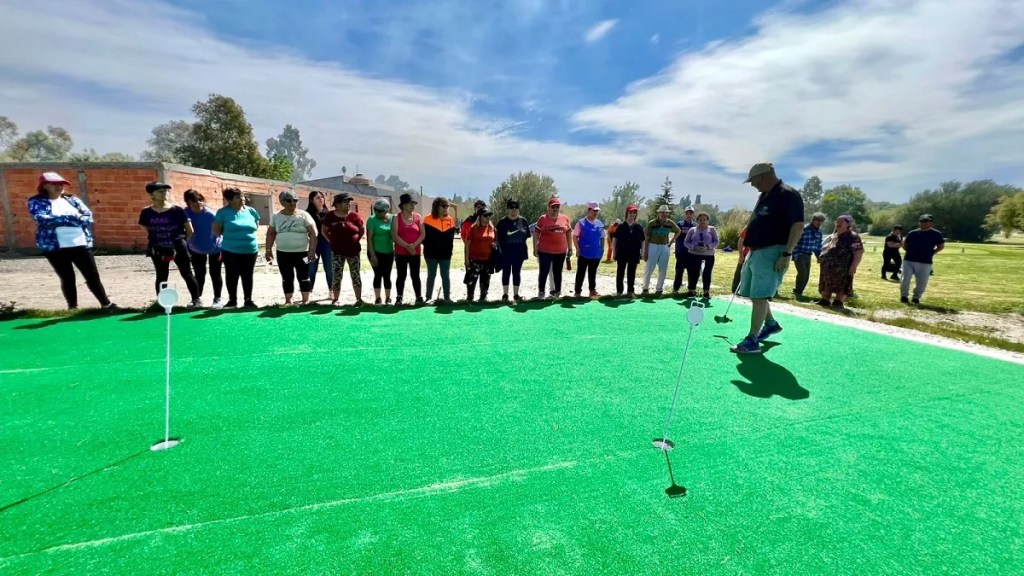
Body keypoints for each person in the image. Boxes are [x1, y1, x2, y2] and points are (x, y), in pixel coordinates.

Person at [731, 162, 805, 354]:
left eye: (753, 181)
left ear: (764, 176)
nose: (752, 185)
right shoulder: (764, 195)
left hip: (773, 251)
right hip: (756, 251)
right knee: (755, 294)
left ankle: (752, 340)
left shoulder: (788, 195)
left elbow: (797, 226)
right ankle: (770, 323)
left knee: (760, 296)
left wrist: (787, 253)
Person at [27, 172, 116, 310]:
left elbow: (87, 217)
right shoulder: (36, 201)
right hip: (55, 247)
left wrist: (62, 219)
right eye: (55, 184)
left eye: (61, 183)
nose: (59, 186)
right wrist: (73, 218)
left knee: (92, 276)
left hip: (80, 243)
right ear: (45, 185)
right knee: (67, 277)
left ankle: (106, 304)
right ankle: (72, 307)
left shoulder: (72, 200)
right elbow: (43, 219)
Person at [138, 181, 200, 307]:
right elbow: (145, 228)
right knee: (161, 275)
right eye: (160, 191)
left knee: (187, 273)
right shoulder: (146, 212)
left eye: (166, 191)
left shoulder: (177, 210)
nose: (164, 193)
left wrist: (180, 242)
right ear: (152, 195)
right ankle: (163, 303)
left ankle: (196, 300)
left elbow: (190, 230)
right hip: (158, 248)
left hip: (178, 247)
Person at [266, 189, 317, 305]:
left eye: (295, 200)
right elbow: (271, 233)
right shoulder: (276, 217)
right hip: (283, 253)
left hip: (302, 252)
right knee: (287, 277)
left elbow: (314, 232)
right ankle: (288, 300)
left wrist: (312, 250)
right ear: (282, 202)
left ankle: (306, 300)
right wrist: (268, 250)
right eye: (289, 201)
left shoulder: (304, 215)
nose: (293, 203)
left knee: (304, 276)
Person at [213, 187, 261, 308]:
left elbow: (255, 226)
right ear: (229, 200)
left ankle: (248, 300)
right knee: (232, 275)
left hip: (250, 250)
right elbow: (217, 230)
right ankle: (232, 300)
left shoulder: (251, 211)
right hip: (230, 250)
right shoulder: (222, 212)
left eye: (242, 196)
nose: (242, 199)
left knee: (248, 275)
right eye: (238, 197)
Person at [322, 193, 365, 305]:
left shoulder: (354, 216)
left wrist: (356, 240)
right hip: (337, 252)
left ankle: (358, 299)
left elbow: (361, 230)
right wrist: (331, 241)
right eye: (345, 202)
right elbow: (324, 231)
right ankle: (336, 299)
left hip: (354, 251)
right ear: (337, 204)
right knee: (337, 275)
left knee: (355, 275)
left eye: (348, 202)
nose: (348, 204)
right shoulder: (330, 216)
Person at [184, 189, 223, 308]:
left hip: (215, 248)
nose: (198, 203)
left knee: (215, 273)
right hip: (195, 248)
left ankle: (217, 299)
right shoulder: (185, 213)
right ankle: (197, 299)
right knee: (199, 274)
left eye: (200, 200)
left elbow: (218, 232)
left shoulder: (210, 214)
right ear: (188, 203)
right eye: (193, 201)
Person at [817, 215, 864, 309]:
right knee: (826, 282)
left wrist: (854, 265)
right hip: (828, 266)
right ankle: (825, 300)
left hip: (843, 267)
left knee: (842, 284)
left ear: (848, 224)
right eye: (837, 221)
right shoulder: (834, 235)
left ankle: (838, 302)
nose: (838, 224)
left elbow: (859, 251)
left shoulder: (852, 236)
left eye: (841, 222)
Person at [532, 197, 573, 299]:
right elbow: (536, 232)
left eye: (557, 207)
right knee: (544, 272)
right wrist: (535, 248)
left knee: (557, 272)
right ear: (548, 207)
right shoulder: (543, 218)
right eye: (553, 207)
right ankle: (541, 293)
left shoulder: (564, 218)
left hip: (560, 252)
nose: (555, 209)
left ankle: (557, 293)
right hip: (544, 251)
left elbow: (569, 233)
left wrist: (570, 248)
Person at [900, 214, 945, 305]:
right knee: (905, 279)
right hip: (909, 260)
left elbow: (941, 246)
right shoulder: (912, 233)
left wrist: (932, 253)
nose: (923, 223)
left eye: (926, 221)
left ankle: (916, 297)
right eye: (922, 221)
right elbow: (905, 245)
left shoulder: (936, 234)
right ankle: (904, 296)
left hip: (925, 261)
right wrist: (910, 252)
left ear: (931, 223)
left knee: (922, 282)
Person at [392, 193, 426, 305]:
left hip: (415, 252)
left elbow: (422, 234)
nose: (413, 206)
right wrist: (407, 246)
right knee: (401, 275)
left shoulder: (418, 217)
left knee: (415, 275)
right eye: (410, 203)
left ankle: (418, 296)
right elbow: (395, 235)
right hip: (401, 252)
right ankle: (399, 297)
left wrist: (414, 246)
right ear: (403, 205)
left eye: (414, 204)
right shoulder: (397, 218)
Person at [496, 199, 531, 302]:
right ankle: (505, 295)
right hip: (506, 253)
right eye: (511, 208)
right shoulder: (502, 222)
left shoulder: (523, 221)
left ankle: (516, 295)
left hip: (519, 253)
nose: (514, 210)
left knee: (517, 273)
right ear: (508, 209)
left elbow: (527, 235)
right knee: (506, 272)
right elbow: (497, 238)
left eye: (516, 208)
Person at [423, 197, 456, 303]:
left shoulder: (450, 220)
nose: (446, 208)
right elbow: (424, 238)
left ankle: (447, 298)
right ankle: (428, 297)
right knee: (431, 275)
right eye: (443, 206)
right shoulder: (427, 219)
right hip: (431, 254)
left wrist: (449, 251)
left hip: (445, 254)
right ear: (436, 207)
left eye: (447, 206)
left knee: (445, 275)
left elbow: (451, 239)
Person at [642, 205, 681, 295]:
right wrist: (645, 251)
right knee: (649, 268)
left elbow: (678, 231)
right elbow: (647, 238)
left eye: (666, 213)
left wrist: (671, 242)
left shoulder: (669, 223)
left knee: (663, 269)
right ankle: (645, 288)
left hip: (664, 246)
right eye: (662, 212)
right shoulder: (652, 223)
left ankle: (659, 289)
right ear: (658, 213)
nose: (664, 214)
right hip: (653, 245)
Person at [682, 212, 719, 299]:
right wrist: (694, 247)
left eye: (704, 220)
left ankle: (706, 291)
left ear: (707, 221)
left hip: (708, 255)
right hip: (694, 255)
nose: (702, 222)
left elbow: (716, 241)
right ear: (697, 221)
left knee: (707, 273)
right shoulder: (692, 230)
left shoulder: (712, 229)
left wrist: (708, 246)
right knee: (693, 272)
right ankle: (691, 290)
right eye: (700, 220)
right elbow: (686, 242)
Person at [573, 201, 605, 298]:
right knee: (581, 273)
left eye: (597, 211)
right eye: (594, 210)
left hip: (596, 253)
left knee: (592, 273)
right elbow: (575, 236)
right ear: (589, 210)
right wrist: (578, 250)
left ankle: (592, 291)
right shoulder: (581, 223)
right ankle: (577, 292)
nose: (595, 213)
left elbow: (602, 237)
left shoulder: (599, 223)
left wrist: (602, 248)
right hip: (583, 253)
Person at [366, 198, 395, 305]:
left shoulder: (393, 218)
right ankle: (378, 298)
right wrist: (372, 255)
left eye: (380, 210)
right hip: (375, 252)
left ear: (387, 210)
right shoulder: (372, 220)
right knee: (378, 274)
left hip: (389, 252)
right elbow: (369, 238)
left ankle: (388, 298)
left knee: (387, 275)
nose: (377, 212)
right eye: (375, 210)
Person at [464, 207, 497, 302]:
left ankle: (483, 298)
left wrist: (495, 244)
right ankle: (469, 299)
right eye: (485, 215)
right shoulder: (473, 228)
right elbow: (467, 244)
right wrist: (466, 259)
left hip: (487, 260)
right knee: (471, 282)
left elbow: (496, 241)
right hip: (474, 260)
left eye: (489, 215)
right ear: (480, 217)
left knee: (485, 282)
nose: (488, 218)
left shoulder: (492, 228)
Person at [613, 205, 645, 297]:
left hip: (634, 254)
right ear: (627, 213)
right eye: (630, 212)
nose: (632, 214)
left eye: (634, 213)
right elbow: (615, 240)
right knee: (620, 272)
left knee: (631, 273)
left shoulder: (638, 227)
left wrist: (642, 252)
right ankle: (619, 291)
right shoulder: (620, 226)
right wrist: (614, 252)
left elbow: (642, 240)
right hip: (622, 253)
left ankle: (630, 291)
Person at [305, 190, 334, 292]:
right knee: (311, 269)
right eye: (318, 197)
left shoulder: (329, 214)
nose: (321, 199)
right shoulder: (306, 214)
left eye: (322, 197)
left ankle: (332, 291)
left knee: (330, 269)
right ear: (311, 200)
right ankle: (308, 292)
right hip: (312, 245)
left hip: (326, 244)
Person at [791, 212, 825, 297]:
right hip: (800, 253)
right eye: (818, 221)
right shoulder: (804, 229)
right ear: (813, 220)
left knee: (806, 274)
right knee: (802, 272)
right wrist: (795, 254)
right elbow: (795, 241)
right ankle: (797, 290)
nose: (819, 223)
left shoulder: (819, 232)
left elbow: (818, 246)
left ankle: (800, 291)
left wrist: (819, 256)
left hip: (808, 255)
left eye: (821, 221)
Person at [672, 206, 697, 295]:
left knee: (691, 271)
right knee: (679, 270)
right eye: (687, 213)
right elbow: (676, 235)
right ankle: (676, 289)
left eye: (690, 213)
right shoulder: (680, 224)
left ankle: (691, 289)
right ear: (685, 213)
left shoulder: (695, 225)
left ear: (692, 214)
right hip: (681, 251)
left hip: (691, 252)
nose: (689, 214)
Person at [732, 226, 750, 294]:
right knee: (740, 272)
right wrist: (741, 254)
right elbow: (740, 241)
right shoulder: (748, 228)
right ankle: (736, 289)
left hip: (758, 256)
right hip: (746, 254)